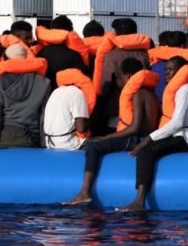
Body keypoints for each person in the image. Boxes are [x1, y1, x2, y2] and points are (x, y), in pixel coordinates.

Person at [66, 57, 159, 205]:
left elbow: (135, 128)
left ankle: (84, 191)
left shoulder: (138, 95)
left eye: (118, 76)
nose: (117, 80)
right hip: (143, 137)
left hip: (136, 139)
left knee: (93, 147)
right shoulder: (150, 93)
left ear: (128, 75)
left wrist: (107, 137)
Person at [118, 56, 188, 211]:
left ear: (181, 71)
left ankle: (139, 201)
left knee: (145, 151)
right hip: (179, 135)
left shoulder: (185, 90)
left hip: (186, 138)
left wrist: (148, 139)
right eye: (165, 70)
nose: (166, 74)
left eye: (171, 70)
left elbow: (177, 123)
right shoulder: (181, 89)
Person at [92, 18, 151, 136]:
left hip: (117, 109)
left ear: (116, 34)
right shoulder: (146, 53)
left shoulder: (111, 56)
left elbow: (105, 86)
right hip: (144, 107)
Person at [0, 45, 50, 148]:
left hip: (7, 135)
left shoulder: (1, 81)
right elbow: (44, 117)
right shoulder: (44, 82)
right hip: (33, 136)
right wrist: (43, 143)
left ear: (5, 60)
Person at [43, 68, 94, 150]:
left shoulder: (55, 91)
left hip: (48, 142)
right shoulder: (77, 93)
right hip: (66, 143)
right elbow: (81, 128)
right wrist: (92, 120)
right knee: (101, 142)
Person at [36, 15, 89, 88]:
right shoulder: (74, 55)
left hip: (44, 94)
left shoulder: (40, 52)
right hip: (65, 96)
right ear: (70, 32)